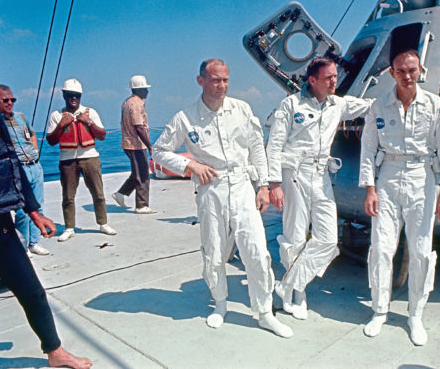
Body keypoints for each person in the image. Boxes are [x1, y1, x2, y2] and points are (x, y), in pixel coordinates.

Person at [152, 58, 293, 338]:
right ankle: (220, 303)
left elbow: (257, 148)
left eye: (226, 80)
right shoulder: (185, 117)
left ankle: (264, 312)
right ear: (201, 80)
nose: (222, 86)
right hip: (211, 189)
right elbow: (159, 150)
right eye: (215, 80)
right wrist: (189, 165)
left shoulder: (241, 109)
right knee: (214, 251)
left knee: (255, 250)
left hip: (242, 186)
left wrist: (263, 186)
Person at [359, 49, 440, 346]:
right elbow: (367, 149)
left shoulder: (435, 105)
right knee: (381, 248)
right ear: (392, 73)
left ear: (421, 70)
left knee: (420, 250)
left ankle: (415, 315)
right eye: (401, 70)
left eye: (412, 70)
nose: (407, 75)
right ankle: (379, 310)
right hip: (388, 175)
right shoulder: (379, 106)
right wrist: (370, 188)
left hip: (422, 176)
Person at [266, 57, 372, 320]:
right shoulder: (291, 105)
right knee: (295, 235)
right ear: (312, 80)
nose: (334, 81)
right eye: (328, 78)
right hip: (295, 173)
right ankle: (297, 295)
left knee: (327, 239)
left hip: (322, 174)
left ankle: (288, 285)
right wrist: (274, 184)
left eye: (335, 76)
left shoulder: (339, 104)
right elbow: (274, 144)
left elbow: (373, 106)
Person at [0, 110, 93, 369]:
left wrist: (34, 211)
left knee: (32, 292)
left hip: (1, 225)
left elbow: (13, 162)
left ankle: (55, 351)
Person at [46, 79, 116, 242]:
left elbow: (102, 135)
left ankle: (103, 223)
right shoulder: (57, 115)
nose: (73, 98)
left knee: (98, 193)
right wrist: (61, 125)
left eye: (76, 95)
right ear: (64, 95)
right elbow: (51, 140)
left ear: (80, 96)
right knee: (68, 196)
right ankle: (69, 227)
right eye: (70, 95)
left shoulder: (90, 112)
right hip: (67, 160)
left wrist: (89, 122)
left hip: (90, 157)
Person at [0, 85, 49, 256]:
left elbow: (32, 134)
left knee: (38, 206)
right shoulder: (0, 124)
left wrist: (35, 151)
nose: (10, 103)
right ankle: (23, 245)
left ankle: (35, 242)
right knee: (22, 212)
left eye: (12, 100)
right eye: (5, 100)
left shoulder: (21, 117)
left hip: (34, 166)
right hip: (19, 171)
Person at [112, 75, 156, 214]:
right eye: (145, 89)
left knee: (138, 171)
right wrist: (149, 145)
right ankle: (142, 205)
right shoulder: (137, 104)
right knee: (143, 175)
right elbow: (138, 126)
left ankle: (121, 193)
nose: (147, 92)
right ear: (139, 90)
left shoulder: (127, 102)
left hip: (128, 142)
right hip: (136, 145)